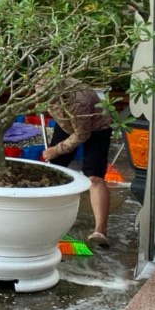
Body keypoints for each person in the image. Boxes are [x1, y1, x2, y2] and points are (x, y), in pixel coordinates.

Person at [41, 80, 114, 247]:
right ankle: (48, 221)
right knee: (54, 170)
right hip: (66, 123)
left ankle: (100, 230)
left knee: (94, 177)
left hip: (97, 127)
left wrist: (57, 149)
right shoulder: (42, 82)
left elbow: (82, 135)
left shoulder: (78, 101)